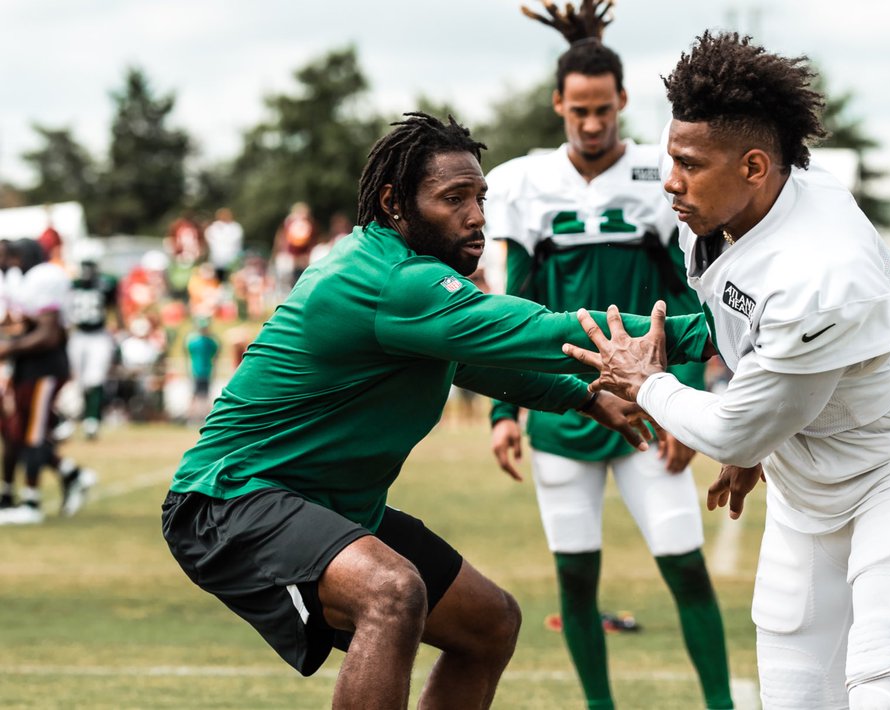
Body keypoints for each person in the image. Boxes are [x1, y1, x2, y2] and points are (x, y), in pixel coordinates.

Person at [161, 112, 711, 709]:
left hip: (322, 503)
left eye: (480, 197)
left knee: (489, 624)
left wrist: (581, 396)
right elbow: (538, 330)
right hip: (231, 500)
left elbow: (478, 363)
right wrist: (710, 332)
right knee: (392, 593)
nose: (476, 217)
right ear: (396, 203)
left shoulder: (405, 277)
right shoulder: (393, 279)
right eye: (453, 198)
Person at [565, 32, 890, 709]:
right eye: (671, 156)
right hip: (806, 477)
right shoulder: (727, 208)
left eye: (689, 163)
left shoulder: (823, 271)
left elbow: (732, 431)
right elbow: (750, 344)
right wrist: (770, 427)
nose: (669, 180)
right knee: (791, 692)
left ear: (755, 166)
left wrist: (650, 383)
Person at [484, 4, 732, 709]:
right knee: (576, 578)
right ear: (558, 105)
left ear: (624, 102)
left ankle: (722, 704)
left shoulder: (663, 176)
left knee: (684, 566)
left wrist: (683, 402)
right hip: (565, 410)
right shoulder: (527, 185)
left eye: (604, 109)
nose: (592, 124)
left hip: (651, 404)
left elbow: (686, 302)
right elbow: (513, 315)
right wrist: (505, 411)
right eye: (579, 111)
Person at [0, 239, 96, 524]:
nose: (11, 263)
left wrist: (8, 347)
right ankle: (70, 473)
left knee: (32, 435)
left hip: (45, 368)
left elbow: (48, 335)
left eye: (14, 257)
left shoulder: (44, 277)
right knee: (18, 433)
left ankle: (31, 502)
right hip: (27, 368)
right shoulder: (21, 281)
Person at [66, 258, 119, 440]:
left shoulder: (106, 283)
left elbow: (115, 304)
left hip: (99, 335)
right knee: (77, 380)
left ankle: (92, 421)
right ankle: (74, 418)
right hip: (78, 334)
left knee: (95, 378)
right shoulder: (71, 285)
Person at [183, 316, 219, 425]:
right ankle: (191, 418)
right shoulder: (194, 341)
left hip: (207, 371)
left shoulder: (210, 342)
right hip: (196, 371)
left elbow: (215, 357)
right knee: (195, 395)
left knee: (205, 395)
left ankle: (205, 418)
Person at [204, 207, 244, 282]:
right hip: (218, 258)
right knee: (218, 279)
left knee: (233, 278)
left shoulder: (235, 227)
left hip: (233, 258)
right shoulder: (213, 228)